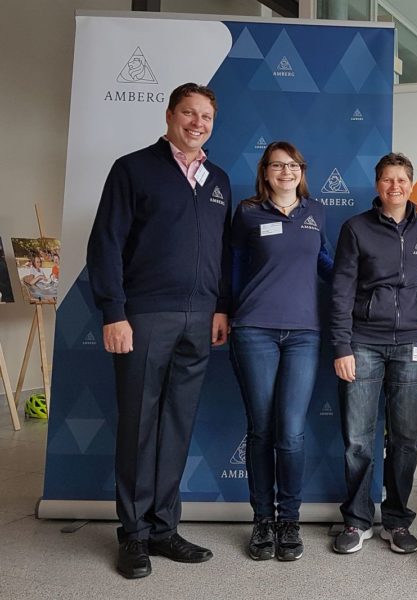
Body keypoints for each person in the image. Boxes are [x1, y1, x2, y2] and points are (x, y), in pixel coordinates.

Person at [87, 83, 231, 580]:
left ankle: (164, 527)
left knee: (176, 425)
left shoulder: (219, 180)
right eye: (189, 113)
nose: (197, 122)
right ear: (170, 115)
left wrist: (220, 308)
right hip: (144, 316)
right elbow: (105, 244)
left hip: (200, 318)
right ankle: (132, 534)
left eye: (206, 115)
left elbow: (222, 254)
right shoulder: (133, 169)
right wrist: (113, 311)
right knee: (138, 426)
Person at [331, 152, 417, 555]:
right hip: (363, 341)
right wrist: (342, 345)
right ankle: (357, 520)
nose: (394, 187)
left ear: (412, 184)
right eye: (387, 180)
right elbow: (342, 289)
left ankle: (396, 520)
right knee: (359, 439)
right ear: (377, 186)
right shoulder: (355, 229)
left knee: (403, 437)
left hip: (412, 343)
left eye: (402, 180)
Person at [229, 141, 332, 561]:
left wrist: (362, 278)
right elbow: (233, 267)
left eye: (292, 165)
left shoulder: (317, 212)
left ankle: (288, 519)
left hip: (304, 333)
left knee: (290, 432)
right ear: (265, 172)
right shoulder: (248, 212)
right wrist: (227, 312)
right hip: (254, 330)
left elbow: (325, 262)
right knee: (262, 428)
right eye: (277, 165)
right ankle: (262, 522)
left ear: (301, 171)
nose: (286, 172)